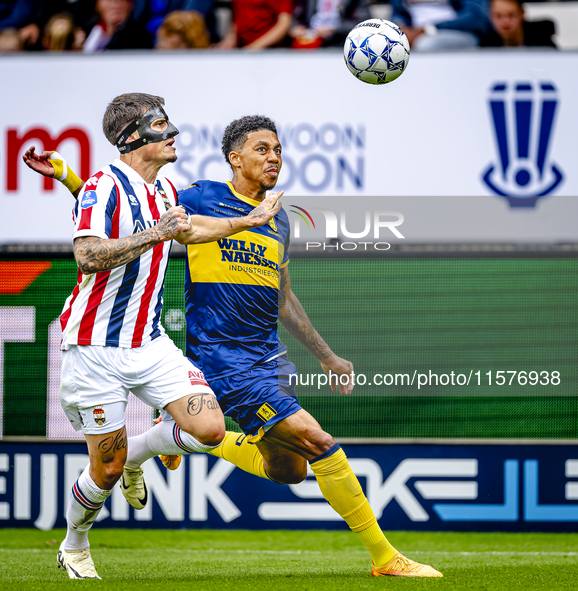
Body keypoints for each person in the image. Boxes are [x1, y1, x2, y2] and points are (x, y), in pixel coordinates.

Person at [33, 115, 442, 578]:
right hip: (221, 354)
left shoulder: (279, 219)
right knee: (318, 441)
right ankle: (386, 558)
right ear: (235, 158)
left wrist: (326, 356)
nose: (274, 158)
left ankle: (155, 444)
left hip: (267, 356)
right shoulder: (199, 196)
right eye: (262, 149)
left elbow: (283, 294)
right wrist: (69, 177)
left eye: (278, 150)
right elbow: (124, 208)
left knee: (290, 471)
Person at [22, 94, 281, 580]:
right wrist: (155, 234)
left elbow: (189, 229)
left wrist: (246, 221)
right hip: (95, 346)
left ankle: (141, 450)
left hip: (150, 341)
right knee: (106, 470)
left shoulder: (161, 191)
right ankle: (75, 544)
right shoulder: (102, 186)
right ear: (133, 137)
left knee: (210, 431)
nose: (174, 133)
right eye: (161, 125)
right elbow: (88, 256)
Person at [391, 0, 492, 51]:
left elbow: (476, 17)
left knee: (426, 44)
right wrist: (401, 27)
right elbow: (398, 12)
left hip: (458, 32)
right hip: (414, 33)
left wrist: (428, 29)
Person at [82, 0, 153, 52]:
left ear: (131, 5)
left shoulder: (140, 37)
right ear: (97, 4)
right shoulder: (84, 31)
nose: (115, 3)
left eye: (122, 0)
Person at [217, 0, 293, 49]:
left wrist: (252, 48)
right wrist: (230, 37)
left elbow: (284, 24)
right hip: (240, 48)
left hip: (269, 51)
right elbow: (237, 16)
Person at [480, 0, 556, 48]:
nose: (505, 21)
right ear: (490, 16)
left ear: (522, 13)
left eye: (511, 15)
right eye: (498, 16)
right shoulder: (487, 45)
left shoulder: (542, 41)